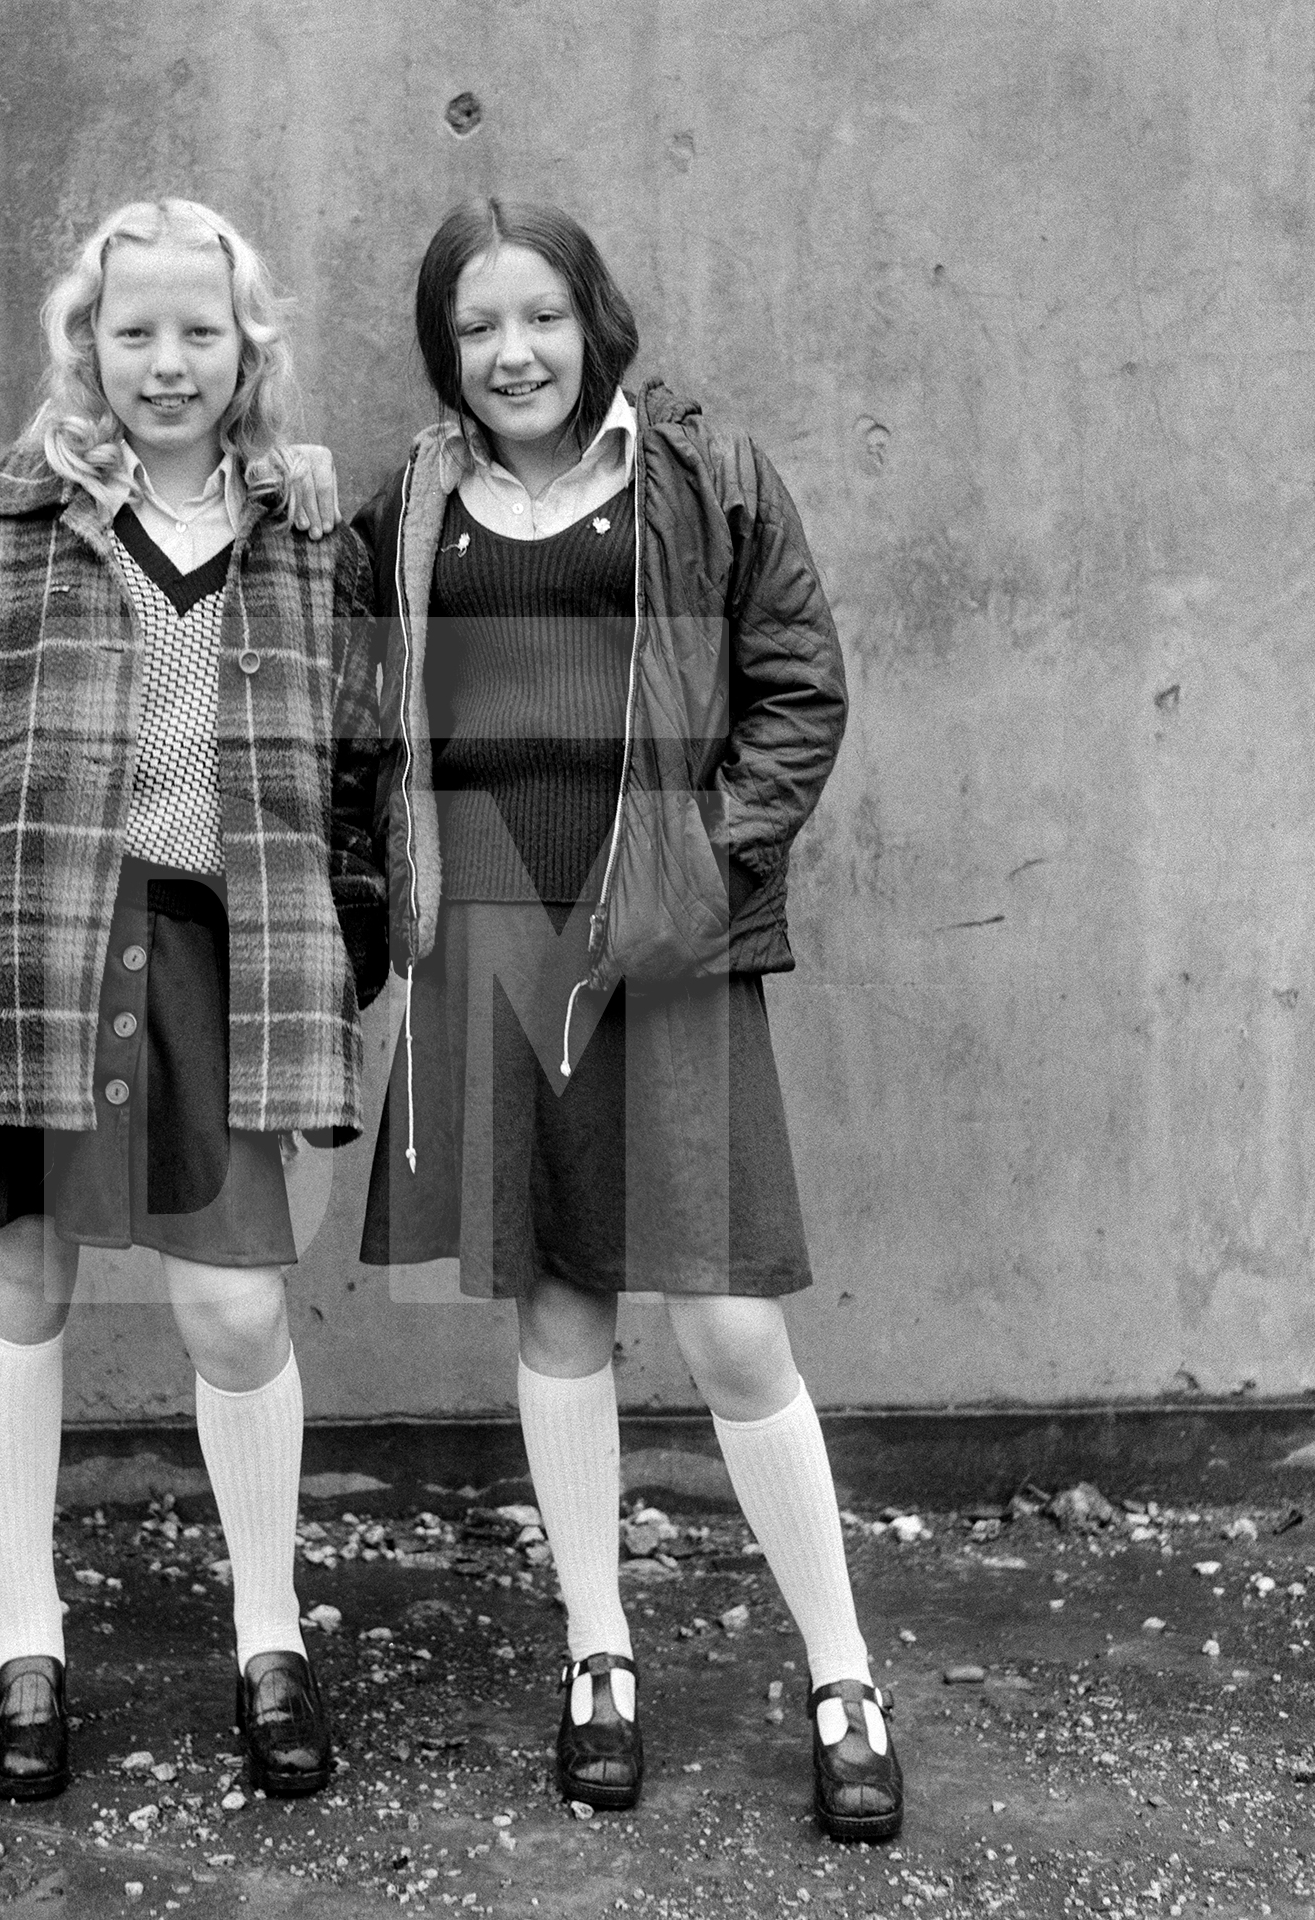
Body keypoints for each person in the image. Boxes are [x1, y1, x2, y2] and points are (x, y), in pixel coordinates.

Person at [352, 198, 901, 1842]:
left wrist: (700, 863)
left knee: (732, 1324)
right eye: (475, 327)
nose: (512, 351)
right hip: (496, 943)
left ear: (594, 318)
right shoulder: (411, 504)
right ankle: (598, 1648)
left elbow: (800, 686)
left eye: (539, 316)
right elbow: (343, 699)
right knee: (559, 1306)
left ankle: (845, 1672)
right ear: (446, 350)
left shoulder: (703, 480)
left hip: (659, 946)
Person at [0, 197, 383, 1804]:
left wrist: (347, 929)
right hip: (32, 952)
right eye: (132, 331)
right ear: (87, 343)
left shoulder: (304, 532)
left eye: (198, 333)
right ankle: (28, 1637)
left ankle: (269, 1634)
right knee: (19, 1291)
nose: (166, 363)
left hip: (219, 956)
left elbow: (367, 763)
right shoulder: (3, 526)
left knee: (232, 1308)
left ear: (247, 351)